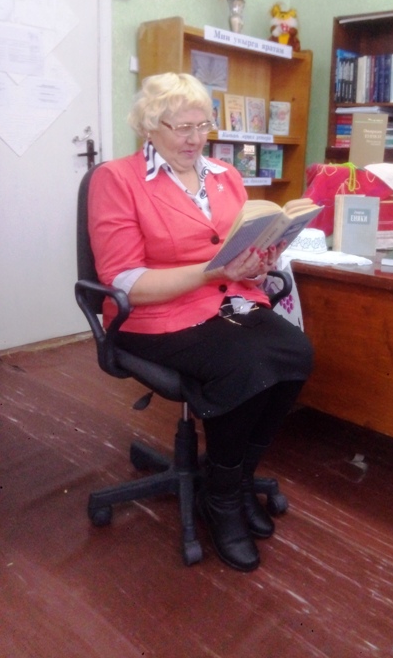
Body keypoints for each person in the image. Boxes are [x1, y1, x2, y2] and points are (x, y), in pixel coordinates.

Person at [88, 72, 314, 572]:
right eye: (182, 127)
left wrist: (262, 261)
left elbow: (236, 247)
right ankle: (223, 501)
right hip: (155, 313)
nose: (195, 139)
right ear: (150, 126)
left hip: (230, 301)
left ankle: (232, 480)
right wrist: (212, 272)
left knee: (296, 353)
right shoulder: (116, 180)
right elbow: (125, 281)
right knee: (246, 364)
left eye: (203, 126)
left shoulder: (225, 175)